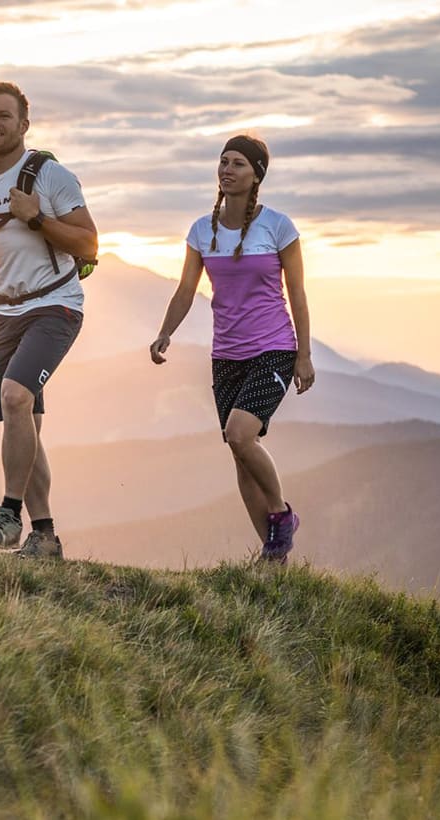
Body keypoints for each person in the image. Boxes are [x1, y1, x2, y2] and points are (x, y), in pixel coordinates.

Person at [148, 135, 316, 563]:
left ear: (256, 174)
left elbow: (296, 292)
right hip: (226, 354)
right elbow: (187, 289)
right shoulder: (201, 231)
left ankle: (281, 515)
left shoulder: (278, 226)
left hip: (274, 348)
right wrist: (166, 331)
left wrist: (304, 354)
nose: (227, 169)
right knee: (240, 454)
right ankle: (273, 556)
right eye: (223, 162)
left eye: (238, 163)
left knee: (239, 434)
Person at [0, 79, 99, 559]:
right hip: (2, 314)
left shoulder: (51, 176)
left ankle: (9, 515)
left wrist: (37, 218)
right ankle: (46, 536)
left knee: (16, 396)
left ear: (24, 124)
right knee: (24, 422)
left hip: (55, 305)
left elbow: (89, 244)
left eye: (2, 116)